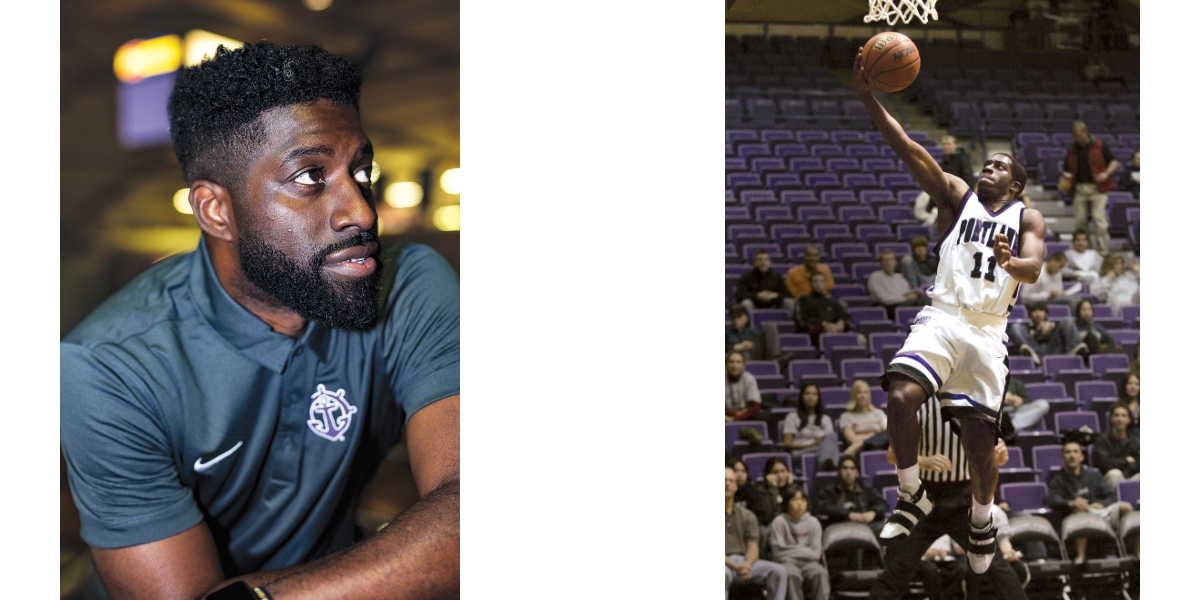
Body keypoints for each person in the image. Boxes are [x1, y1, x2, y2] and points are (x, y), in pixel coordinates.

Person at [59, 43, 461, 600]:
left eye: (360, 169)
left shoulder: (408, 284)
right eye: (308, 177)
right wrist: (403, 558)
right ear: (215, 211)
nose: (362, 211)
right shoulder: (107, 366)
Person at [853, 45, 1048, 575]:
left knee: (982, 448)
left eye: (1001, 165)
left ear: (1017, 184)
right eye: (988, 161)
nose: (989, 166)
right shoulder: (957, 197)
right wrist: (869, 99)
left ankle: (983, 521)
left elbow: (1034, 268)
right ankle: (910, 493)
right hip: (942, 316)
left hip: (988, 332)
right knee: (900, 394)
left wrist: (1013, 264)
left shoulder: (1028, 217)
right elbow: (908, 146)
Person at [869, 396, 1028, 600]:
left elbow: (996, 448)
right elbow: (892, 454)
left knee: (994, 565)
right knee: (899, 568)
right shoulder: (919, 405)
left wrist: (1000, 451)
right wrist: (924, 461)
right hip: (923, 500)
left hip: (962, 500)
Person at [1046, 441, 1134, 563]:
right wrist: (1070, 503)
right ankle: (1080, 557)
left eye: (1075, 452)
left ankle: (1138, 554)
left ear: (1082, 456)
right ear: (1062, 457)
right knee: (1080, 510)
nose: (1072, 455)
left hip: (1100, 512)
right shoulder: (1057, 480)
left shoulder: (1094, 475)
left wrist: (1099, 504)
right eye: (1068, 452)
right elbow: (1052, 500)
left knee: (1126, 507)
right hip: (1075, 515)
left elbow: (1112, 496)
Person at [726, 467, 788, 600]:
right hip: (724, 564)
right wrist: (735, 566)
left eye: (731, 480)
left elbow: (753, 546)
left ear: (736, 486)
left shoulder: (747, 515)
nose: (727, 484)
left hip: (743, 561)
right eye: (723, 480)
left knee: (779, 571)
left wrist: (747, 564)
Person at [1059, 121, 1117, 253]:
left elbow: (1114, 161)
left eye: (1080, 135)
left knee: (1099, 219)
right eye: (1076, 136)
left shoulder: (1100, 145)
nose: (1078, 139)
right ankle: (1086, 250)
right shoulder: (1071, 150)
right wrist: (1064, 183)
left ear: (1086, 132)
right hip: (1079, 188)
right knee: (1080, 221)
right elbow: (1067, 170)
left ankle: (1102, 250)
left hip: (1098, 189)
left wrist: (1106, 173)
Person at [769, 486, 831, 600]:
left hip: (809, 563)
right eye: (795, 500)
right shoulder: (779, 522)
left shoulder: (813, 522)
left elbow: (816, 554)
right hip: (787, 562)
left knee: (820, 573)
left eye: (802, 500)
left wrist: (790, 550)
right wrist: (805, 551)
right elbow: (778, 553)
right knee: (791, 575)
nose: (799, 504)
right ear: (787, 503)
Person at [812, 455, 888, 537]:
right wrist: (848, 515)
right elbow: (824, 507)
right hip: (838, 526)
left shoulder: (866, 488)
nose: (848, 472)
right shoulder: (829, 490)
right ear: (839, 471)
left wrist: (873, 512)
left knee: (885, 529)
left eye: (852, 468)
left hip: (866, 525)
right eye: (845, 468)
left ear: (857, 473)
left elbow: (882, 504)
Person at [781, 384, 840, 472]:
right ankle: (827, 467)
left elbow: (829, 440)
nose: (810, 397)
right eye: (807, 394)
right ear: (801, 397)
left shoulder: (825, 418)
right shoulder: (792, 417)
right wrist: (809, 445)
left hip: (820, 449)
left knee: (833, 436)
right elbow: (787, 443)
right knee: (829, 450)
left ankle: (826, 464)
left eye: (814, 394)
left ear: (818, 398)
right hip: (799, 453)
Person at [794, 272, 863, 346]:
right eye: (815, 281)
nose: (818, 284)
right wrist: (824, 324)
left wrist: (842, 322)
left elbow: (844, 316)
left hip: (835, 330)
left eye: (821, 281)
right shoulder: (804, 300)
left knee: (861, 338)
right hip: (814, 332)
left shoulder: (832, 301)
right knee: (831, 329)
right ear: (810, 284)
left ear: (825, 283)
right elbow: (803, 320)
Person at [1007, 301, 1084, 366]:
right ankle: (1032, 355)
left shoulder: (1053, 325)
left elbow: (1061, 330)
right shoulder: (1027, 328)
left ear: (1046, 314)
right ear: (1030, 314)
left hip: (1055, 349)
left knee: (1068, 320)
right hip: (1036, 351)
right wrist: (1035, 332)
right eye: (1035, 311)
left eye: (1041, 310)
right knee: (1016, 326)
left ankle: (1072, 350)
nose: (1037, 313)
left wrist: (1051, 326)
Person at [1092, 404, 1139, 489]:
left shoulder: (1135, 440)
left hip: (1131, 475)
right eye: (1116, 415)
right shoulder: (1102, 440)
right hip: (1109, 479)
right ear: (1111, 418)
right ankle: (1116, 502)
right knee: (1115, 473)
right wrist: (1126, 460)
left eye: (1123, 416)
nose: (1120, 419)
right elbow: (1105, 464)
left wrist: (1124, 469)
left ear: (1128, 420)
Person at [866, 249, 923, 319]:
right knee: (922, 302)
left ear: (895, 262)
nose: (888, 262)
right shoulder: (875, 277)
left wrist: (913, 295)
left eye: (891, 259)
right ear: (881, 263)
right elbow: (884, 299)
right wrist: (905, 298)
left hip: (903, 304)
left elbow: (906, 294)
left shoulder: (900, 278)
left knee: (924, 299)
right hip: (888, 308)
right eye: (885, 260)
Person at [840, 379, 889, 457]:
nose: (863, 396)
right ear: (854, 395)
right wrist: (876, 435)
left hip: (879, 449)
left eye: (865, 392)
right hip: (860, 452)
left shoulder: (879, 413)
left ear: (869, 395)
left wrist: (860, 442)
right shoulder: (846, 416)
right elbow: (853, 440)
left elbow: (887, 434)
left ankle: (861, 443)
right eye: (859, 392)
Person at [729, 458, 775, 528]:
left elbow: (760, 515)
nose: (740, 474)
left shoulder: (752, 491)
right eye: (736, 471)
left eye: (743, 471)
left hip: (749, 528)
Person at [757, 457, 799, 530]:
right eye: (775, 472)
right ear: (767, 475)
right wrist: (773, 489)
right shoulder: (761, 491)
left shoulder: (794, 488)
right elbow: (768, 515)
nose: (780, 476)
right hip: (772, 527)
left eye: (783, 471)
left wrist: (791, 487)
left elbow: (799, 511)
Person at [726, 351, 763, 422]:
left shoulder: (749, 379)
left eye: (738, 362)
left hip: (745, 415)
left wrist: (735, 418)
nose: (735, 366)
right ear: (726, 364)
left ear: (743, 366)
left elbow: (755, 407)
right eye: (731, 362)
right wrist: (733, 413)